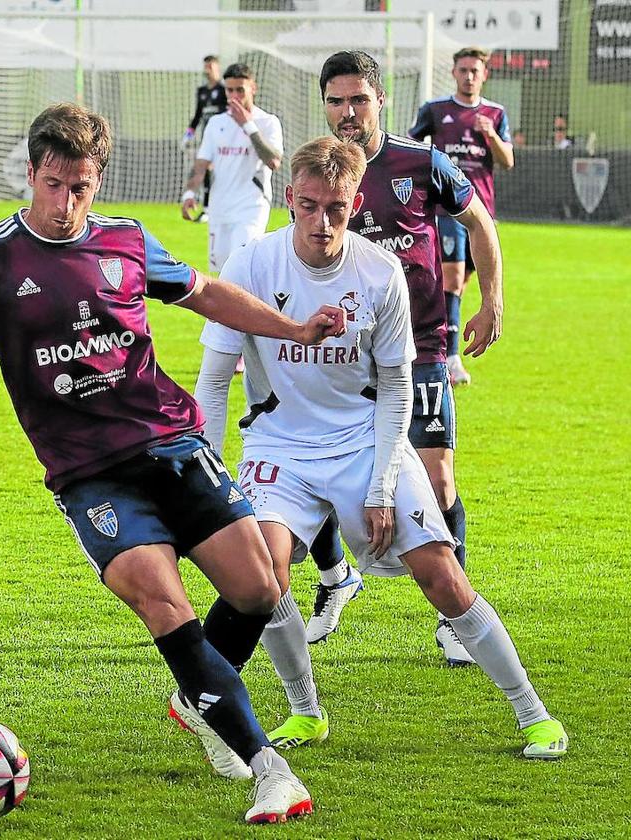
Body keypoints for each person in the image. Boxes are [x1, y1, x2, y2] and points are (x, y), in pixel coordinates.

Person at [0, 102, 347, 824]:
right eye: (52, 184)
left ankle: (196, 695)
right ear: (31, 171)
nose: (65, 203)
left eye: (80, 187)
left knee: (261, 589)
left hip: (172, 444)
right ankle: (269, 767)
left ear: (96, 180)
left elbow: (206, 294)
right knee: (160, 598)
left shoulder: (127, 241)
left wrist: (293, 328)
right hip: (89, 474)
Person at [203, 134, 568, 761]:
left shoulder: (378, 271)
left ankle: (532, 712)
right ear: (290, 198)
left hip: (365, 441)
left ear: (354, 202)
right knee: (265, 574)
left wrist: (378, 489)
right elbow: (213, 380)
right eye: (310, 206)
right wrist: (213, 488)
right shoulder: (252, 265)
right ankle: (305, 711)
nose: (322, 223)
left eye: (337, 209)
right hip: (280, 444)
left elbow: (398, 386)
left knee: (442, 577)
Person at [299, 51, 504, 670]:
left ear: (380, 100)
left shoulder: (421, 163)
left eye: (358, 99)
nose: (347, 113)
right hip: (340, 355)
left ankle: (452, 616)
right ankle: (336, 578)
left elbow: (481, 223)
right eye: (336, 101)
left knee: (438, 480)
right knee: (315, 477)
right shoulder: (321, 171)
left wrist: (491, 300)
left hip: (421, 349)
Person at [181, 62, 284, 454]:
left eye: (240, 90)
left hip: (250, 211)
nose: (234, 98)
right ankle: (238, 345)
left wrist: (249, 126)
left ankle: (234, 351)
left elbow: (274, 160)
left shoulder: (267, 122)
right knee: (221, 283)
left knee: (240, 273)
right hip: (220, 213)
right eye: (229, 91)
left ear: (253, 88)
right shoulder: (216, 125)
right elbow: (203, 165)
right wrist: (190, 192)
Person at [410, 46, 514, 387]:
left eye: (475, 70)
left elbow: (507, 161)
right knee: (451, 281)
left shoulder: (495, 113)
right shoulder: (436, 110)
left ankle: (435, 344)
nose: (469, 76)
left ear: (485, 74)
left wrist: (491, 136)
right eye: (464, 70)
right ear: (454, 72)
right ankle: (451, 358)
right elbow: (410, 149)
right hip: (446, 210)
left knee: (461, 286)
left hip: (481, 213)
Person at [182, 54, 229, 217]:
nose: (207, 70)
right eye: (206, 66)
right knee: (205, 169)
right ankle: (208, 208)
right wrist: (188, 135)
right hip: (207, 138)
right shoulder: (202, 91)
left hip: (223, 138)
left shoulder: (224, 90)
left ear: (217, 68)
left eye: (211, 66)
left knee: (219, 170)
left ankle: (217, 206)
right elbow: (197, 116)